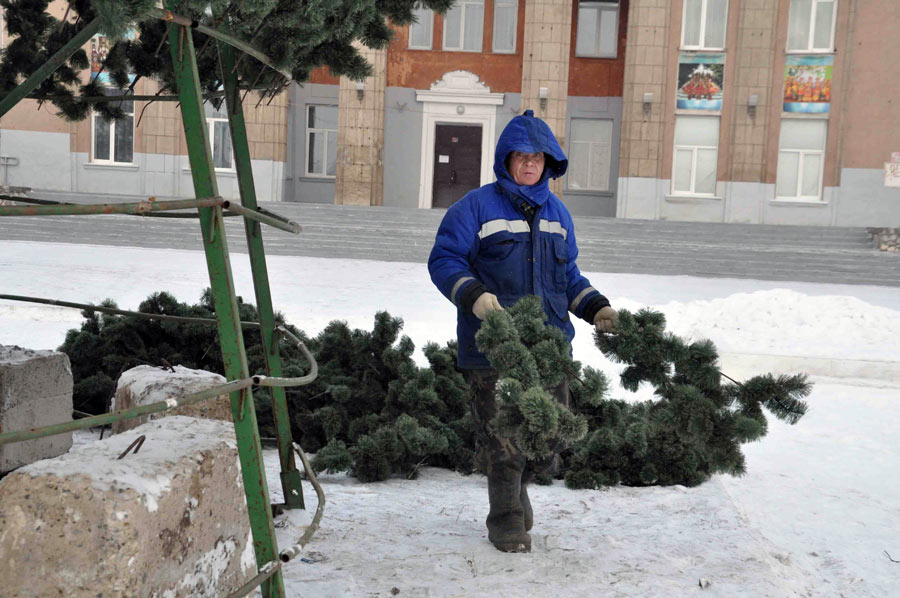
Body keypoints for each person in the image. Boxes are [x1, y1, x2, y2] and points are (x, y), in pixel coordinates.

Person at [428, 110, 616, 553]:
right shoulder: (474, 207)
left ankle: (520, 487)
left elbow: (567, 275)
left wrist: (597, 307)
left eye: (538, 157)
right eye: (521, 157)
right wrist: (472, 295)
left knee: (550, 435)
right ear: (506, 160)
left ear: (549, 163)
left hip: (549, 347)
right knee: (503, 438)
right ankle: (506, 519)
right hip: (494, 348)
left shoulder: (558, 214)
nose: (530, 164)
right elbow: (444, 260)